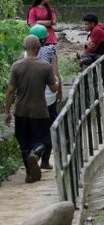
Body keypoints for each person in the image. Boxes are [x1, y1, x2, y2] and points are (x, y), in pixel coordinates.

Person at [4, 35, 59, 183]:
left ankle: (29, 174)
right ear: (38, 47)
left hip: (21, 111)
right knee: (43, 139)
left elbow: (10, 91)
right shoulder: (45, 66)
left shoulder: (16, 66)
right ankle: (36, 153)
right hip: (39, 111)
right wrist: (57, 82)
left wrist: (7, 111)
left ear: (25, 48)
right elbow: (53, 89)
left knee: (24, 142)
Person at [28, 24, 62, 170]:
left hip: (31, 98)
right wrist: (59, 89)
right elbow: (55, 74)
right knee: (51, 127)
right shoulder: (50, 50)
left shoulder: (24, 55)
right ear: (45, 38)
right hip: (48, 97)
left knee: (35, 128)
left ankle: (33, 151)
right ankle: (44, 159)